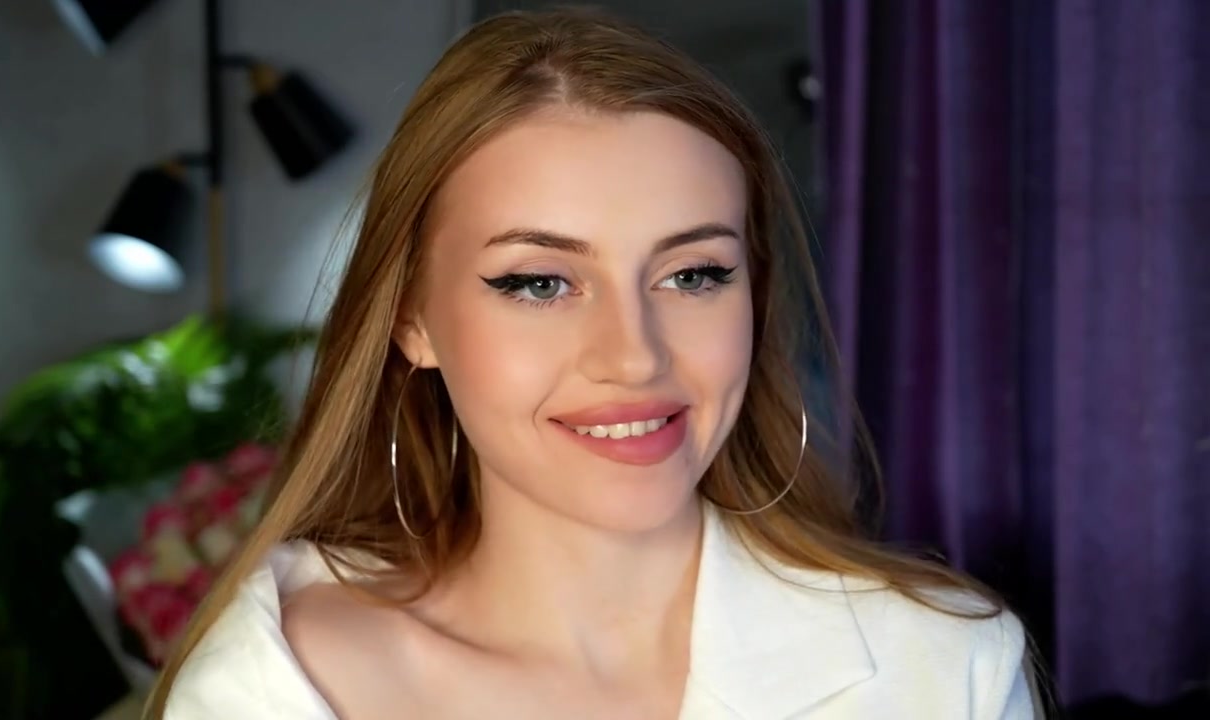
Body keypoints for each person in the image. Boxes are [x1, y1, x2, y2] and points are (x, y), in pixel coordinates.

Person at [151, 8, 1037, 719]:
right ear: (412, 319)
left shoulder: (945, 665)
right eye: (539, 283)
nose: (634, 356)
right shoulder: (276, 690)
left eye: (694, 274)